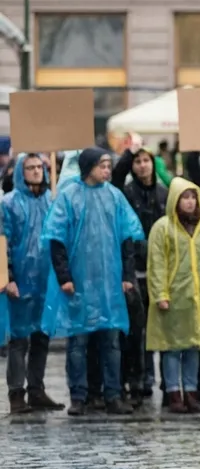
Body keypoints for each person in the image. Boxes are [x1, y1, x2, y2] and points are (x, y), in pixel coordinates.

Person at [41, 147, 145, 416]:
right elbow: (57, 241)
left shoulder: (115, 197)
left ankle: (112, 394)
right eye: (103, 166)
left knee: (111, 342)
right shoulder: (68, 198)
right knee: (78, 343)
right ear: (89, 168)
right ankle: (79, 396)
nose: (108, 171)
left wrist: (126, 276)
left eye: (110, 166)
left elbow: (127, 240)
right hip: (80, 284)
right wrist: (64, 277)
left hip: (110, 285)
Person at [147, 179, 200, 414]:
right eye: (185, 197)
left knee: (193, 347)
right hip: (174, 298)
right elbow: (157, 264)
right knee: (172, 348)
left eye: (193, 197)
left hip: (198, 299)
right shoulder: (162, 228)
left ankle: (191, 393)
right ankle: (173, 393)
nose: (190, 202)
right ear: (175, 200)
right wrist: (160, 293)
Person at [3, 154, 63, 412]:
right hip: (21, 280)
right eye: (30, 168)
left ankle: (36, 390)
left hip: (45, 280)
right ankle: (17, 394)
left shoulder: (51, 201)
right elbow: (2, 243)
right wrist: (8, 278)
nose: (37, 171)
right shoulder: (8, 203)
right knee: (19, 339)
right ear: (21, 172)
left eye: (40, 167)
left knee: (42, 336)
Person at [111, 138, 169, 407]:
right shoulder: (125, 193)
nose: (143, 165)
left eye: (146, 160)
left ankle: (154, 379)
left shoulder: (163, 193)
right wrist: (128, 153)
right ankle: (135, 379)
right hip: (133, 268)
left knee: (159, 329)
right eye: (138, 161)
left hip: (159, 269)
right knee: (135, 330)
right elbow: (115, 177)